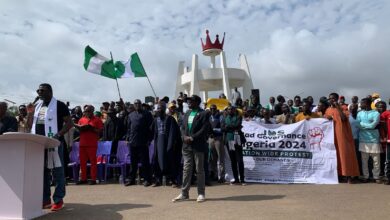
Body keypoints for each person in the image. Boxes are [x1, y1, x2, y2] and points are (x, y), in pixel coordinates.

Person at [27, 83, 73, 211]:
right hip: (39, 144)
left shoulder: (59, 105)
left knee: (57, 172)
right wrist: (30, 113)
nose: (39, 92)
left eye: (42, 90)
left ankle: (58, 200)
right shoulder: (37, 107)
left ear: (50, 91)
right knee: (42, 172)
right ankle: (45, 200)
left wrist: (58, 135)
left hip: (54, 143)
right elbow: (29, 126)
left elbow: (69, 123)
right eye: (38, 90)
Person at [172, 95, 210, 203]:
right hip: (186, 146)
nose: (189, 102)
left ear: (197, 102)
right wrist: (184, 136)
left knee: (199, 170)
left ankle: (201, 193)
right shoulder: (187, 113)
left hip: (198, 145)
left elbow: (204, 129)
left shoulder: (204, 113)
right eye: (188, 101)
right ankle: (184, 193)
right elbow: (183, 127)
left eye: (191, 101)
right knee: (186, 169)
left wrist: (192, 138)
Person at [325, 92, 360, 183]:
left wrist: (338, 107)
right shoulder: (327, 110)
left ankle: (348, 175)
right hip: (332, 136)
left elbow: (344, 118)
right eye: (330, 98)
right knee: (335, 155)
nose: (331, 100)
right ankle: (339, 175)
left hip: (343, 135)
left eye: (333, 98)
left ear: (337, 99)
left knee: (344, 154)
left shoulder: (344, 108)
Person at [151, 101, 182, 187]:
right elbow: (153, 132)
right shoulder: (156, 119)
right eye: (158, 108)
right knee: (157, 160)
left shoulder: (170, 119)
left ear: (164, 109)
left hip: (168, 142)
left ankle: (172, 180)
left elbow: (173, 133)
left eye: (160, 108)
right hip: (158, 142)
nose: (158, 110)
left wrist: (170, 145)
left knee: (170, 160)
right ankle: (158, 179)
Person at [125, 99, 154, 187]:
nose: (137, 105)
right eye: (135, 103)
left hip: (143, 141)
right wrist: (127, 138)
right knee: (133, 162)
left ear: (141, 104)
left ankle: (147, 179)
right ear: (134, 105)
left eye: (138, 103)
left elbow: (151, 128)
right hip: (132, 141)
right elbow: (129, 128)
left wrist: (149, 139)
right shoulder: (130, 115)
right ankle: (131, 179)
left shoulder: (147, 114)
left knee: (145, 162)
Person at [75, 105, 103, 185]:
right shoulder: (81, 119)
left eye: (88, 111)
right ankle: (83, 178)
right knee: (82, 162)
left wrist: (92, 129)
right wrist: (79, 128)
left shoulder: (97, 120)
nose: (87, 113)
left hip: (92, 144)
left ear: (92, 111)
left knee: (93, 162)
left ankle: (93, 179)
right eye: (86, 111)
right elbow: (79, 130)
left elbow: (100, 131)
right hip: (82, 144)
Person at [357, 98, 381, 183]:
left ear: (367, 104)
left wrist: (363, 125)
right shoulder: (359, 113)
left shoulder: (376, 113)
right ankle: (366, 176)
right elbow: (357, 124)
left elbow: (373, 126)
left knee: (376, 160)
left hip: (374, 140)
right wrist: (368, 125)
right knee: (364, 160)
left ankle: (376, 177)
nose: (360, 105)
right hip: (363, 140)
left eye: (362, 103)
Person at [222, 106, 246, 185]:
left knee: (240, 160)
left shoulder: (238, 117)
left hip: (237, 140)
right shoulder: (225, 118)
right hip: (229, 140)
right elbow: (223, 128)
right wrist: (233, 127)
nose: (230, 110)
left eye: (232, 109)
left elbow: (237, 125)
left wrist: (229, 127)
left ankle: (242, 179)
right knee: (233, 160)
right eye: (229, 109)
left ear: (234, 110)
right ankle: (236, 179)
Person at [208, 104, 225, 183]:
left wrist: (213, 130)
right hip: (210, 139)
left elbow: (222, 128)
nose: (212, 110)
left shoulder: (220, 117)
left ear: (216, 109)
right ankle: (214, 175)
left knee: (220, 158)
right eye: (211, 109)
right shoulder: (209, 117)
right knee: (212, 158)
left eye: (214, 109)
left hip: (218, 139)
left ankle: (221, 176)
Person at [376, 101, 390, 185]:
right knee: (387, 160)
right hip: (385, 140)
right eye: (380, 107)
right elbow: (382, 127)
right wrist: (384, 137)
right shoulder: (384, 114)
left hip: (386, 140)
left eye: (383, 106)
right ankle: (387, 177)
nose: (381, 108)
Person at [349, 103, 362, 175]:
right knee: (350, 157)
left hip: (359, 139)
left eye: (354, 107)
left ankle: (358, 173)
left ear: (357, 108)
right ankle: (351, 173)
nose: (352, 108)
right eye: (351, 107)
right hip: (349, 140)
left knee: (358, 157)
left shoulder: (360, 116)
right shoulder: (347, 116)